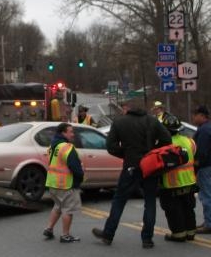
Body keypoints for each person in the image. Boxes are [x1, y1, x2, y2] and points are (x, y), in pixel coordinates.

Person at [91, 99, 172, 248]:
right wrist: (153, 152)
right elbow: (167, 139)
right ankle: (147, 239)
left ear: (128, 108)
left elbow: (111, 146)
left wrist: (127, 154)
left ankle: (108, 234)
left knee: (119, 200)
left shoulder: (120, 122)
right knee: (150, 202)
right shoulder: (152, 121)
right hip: (150, 166)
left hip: (131, 166)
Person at [158, 113, 198, 242]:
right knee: (188, 208)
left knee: (173, 210)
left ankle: (178, 234)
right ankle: (191, 233)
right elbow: (194, 155)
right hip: (189, 181)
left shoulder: (163, 145)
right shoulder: (189, 141)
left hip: (171, 184)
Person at [42, 123, 83, 243]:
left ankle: (49, 228)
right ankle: (65, 235)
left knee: (58, 206)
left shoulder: (52, 146)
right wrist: (80, 178)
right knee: (68, 209)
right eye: (70, 132)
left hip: (52, 182)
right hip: (66, 184)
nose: (73, 134)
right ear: (63, 133)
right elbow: (75, 167)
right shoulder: (67, 147)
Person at [192, 104, 211, 234]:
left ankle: (210, 224)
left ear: (202, 116)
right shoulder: (209, 127)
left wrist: (196, 165)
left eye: (195, 115)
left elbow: (201, 151)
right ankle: (209, 221)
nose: (194, 117)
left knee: (206, 195)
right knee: (208, 194)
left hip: (205, 166)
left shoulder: (204, 130)